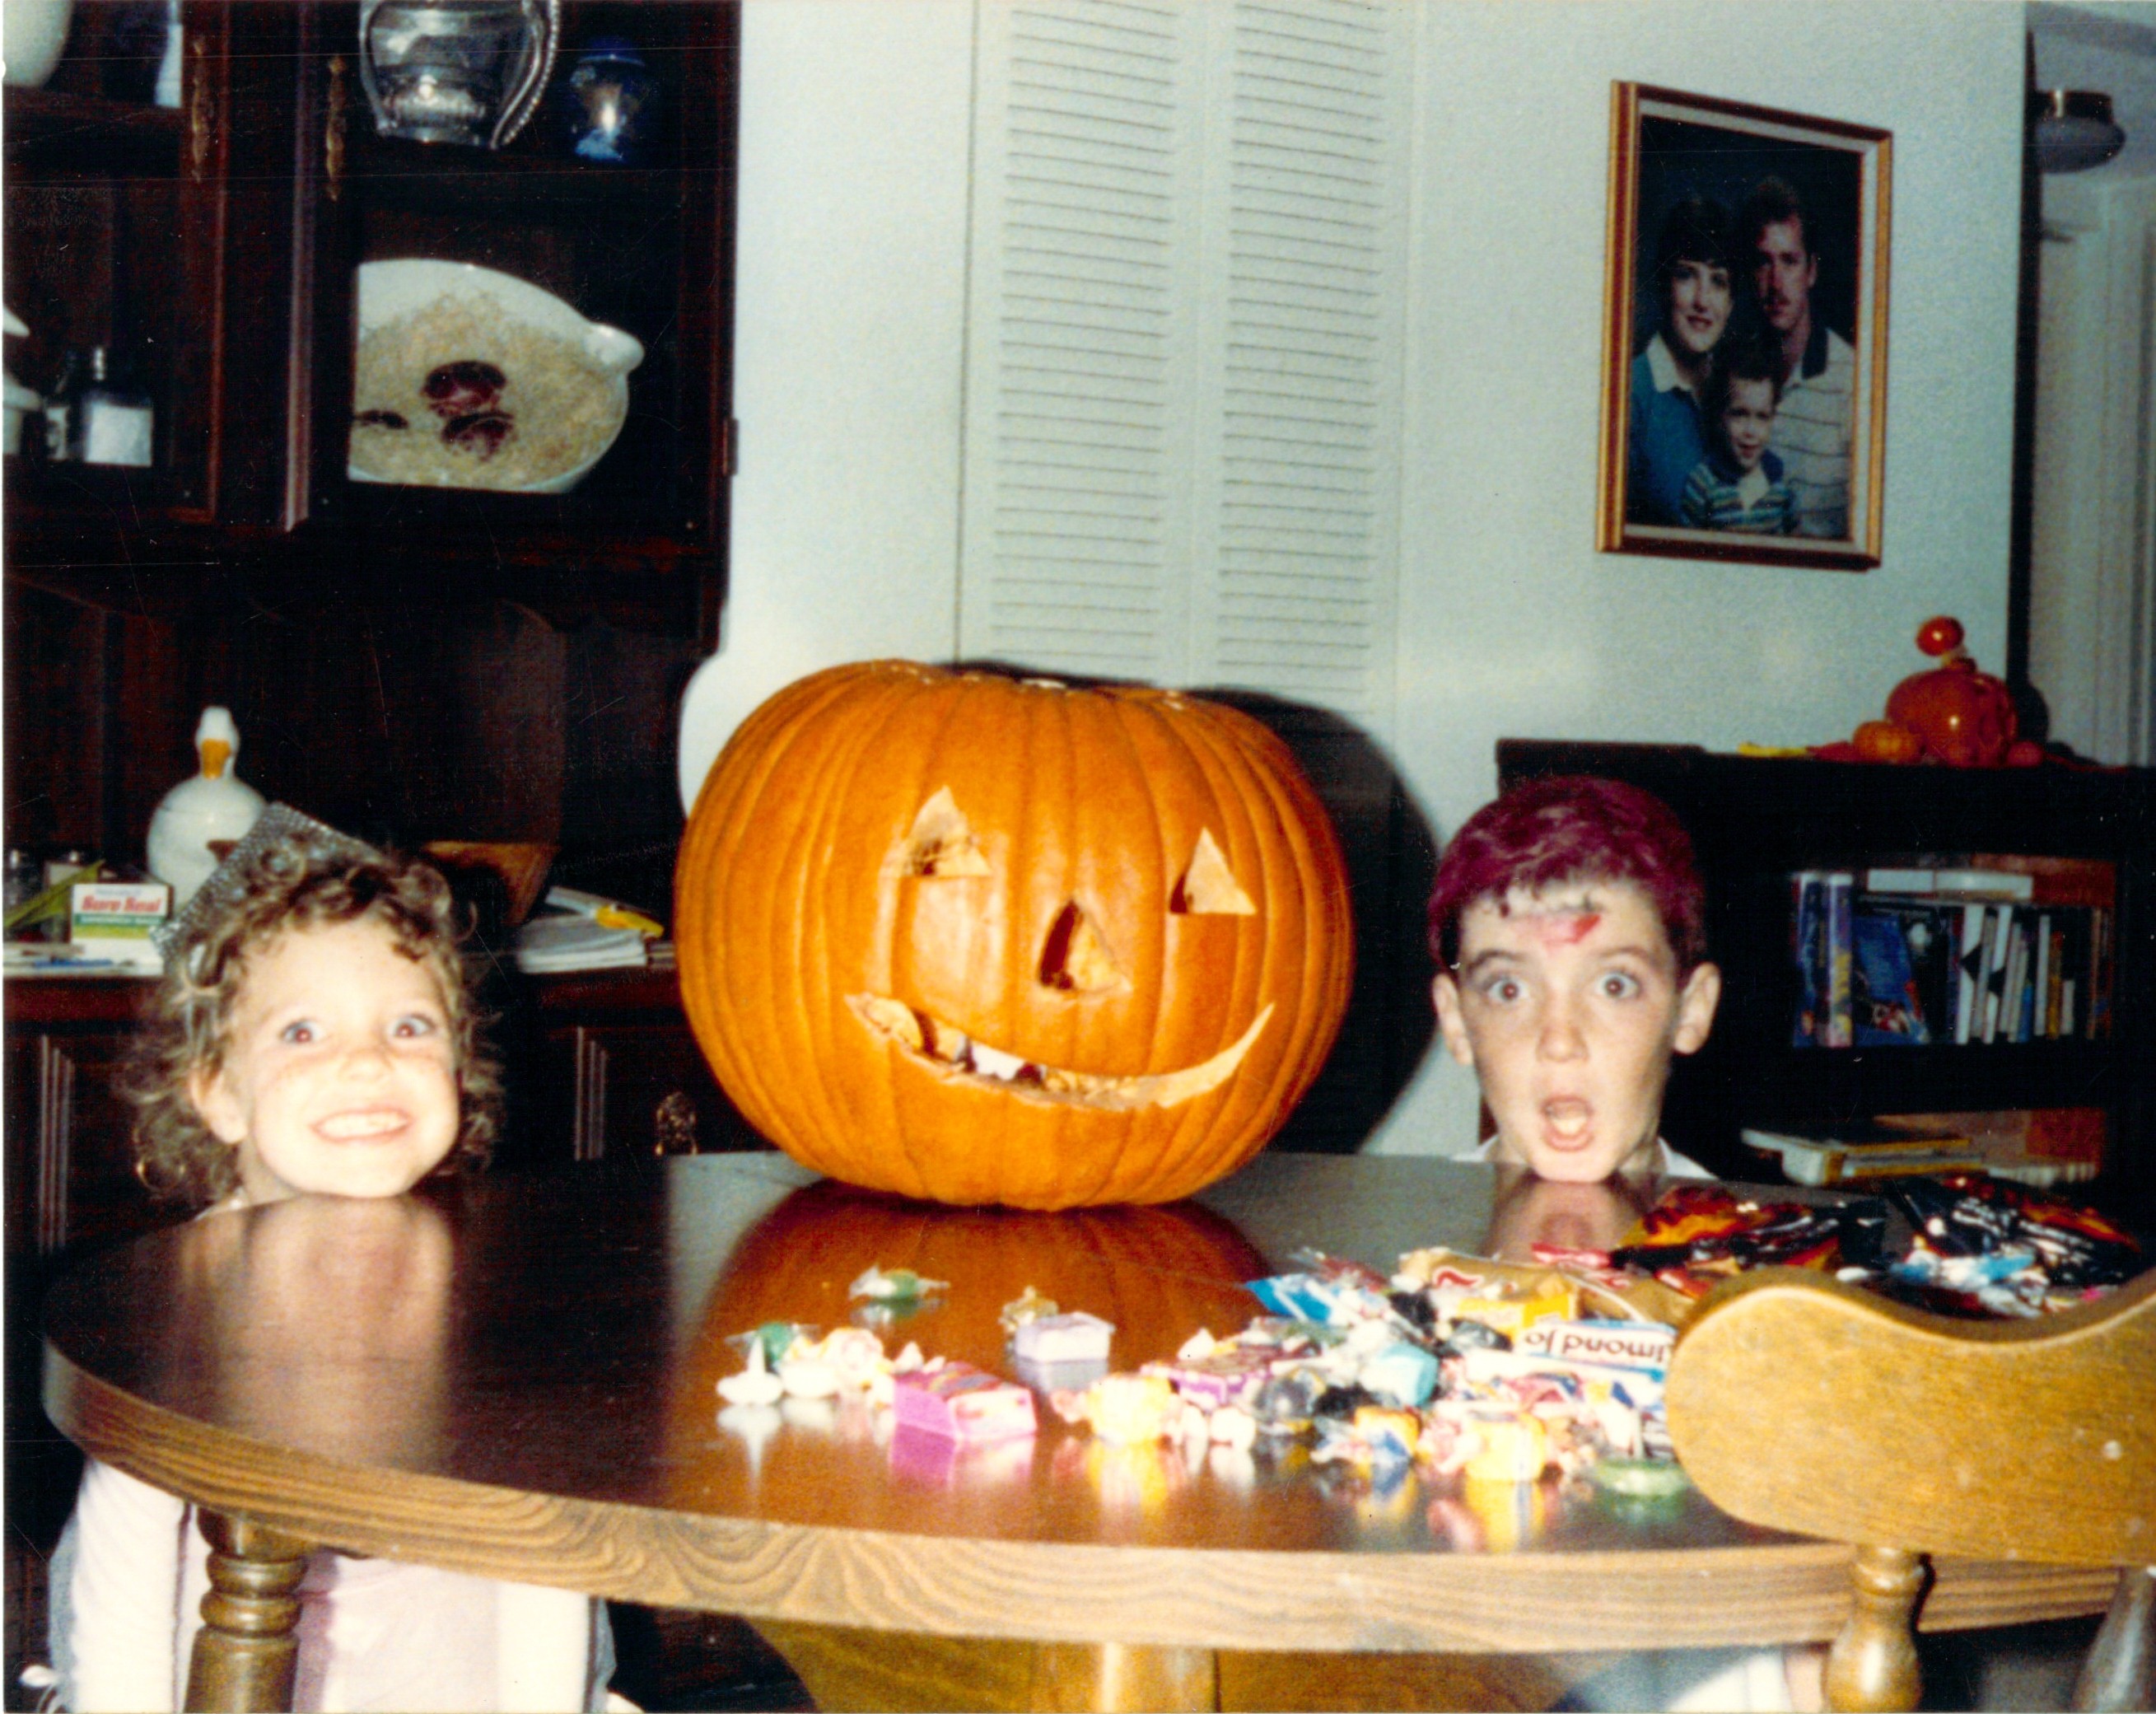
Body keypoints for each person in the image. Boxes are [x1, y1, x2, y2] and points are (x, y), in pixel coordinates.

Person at [45, 823, 619, 1713]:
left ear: (459, 1066)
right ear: (220, 1092)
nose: (366, 1060)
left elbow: (541, 1540)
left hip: (437, 1632)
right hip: (218, 1629)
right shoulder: (184, 1293)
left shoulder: (489, 1276)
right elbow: (126, 1552)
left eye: (409, 1026)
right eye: (303, 1031)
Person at [1426, 775, 1823, 1713]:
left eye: (1613, 984)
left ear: (1689, 1008)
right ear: (1454, 1018)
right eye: (1508, 987)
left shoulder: (1764, 1271)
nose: (1558, 1040)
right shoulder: (1403, 1250)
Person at [1739, 175, 1855, 539]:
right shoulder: (1733, 373)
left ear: (1812, 271)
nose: (1776, 283)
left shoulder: (1853, 381)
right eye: (1764, 262)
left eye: (1789, 261)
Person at [1626, 194, 1736, 526]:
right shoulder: (1633, 393)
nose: (1703, 301)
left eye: (1718, 281)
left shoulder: (1739, 390)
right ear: (1664, 285)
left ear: (1731, 302)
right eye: (1687, 275)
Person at [1679, 339, 1799, 535]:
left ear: (1773, 419)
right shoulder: (1703, 484)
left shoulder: (1782, 482)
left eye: (1762, 417)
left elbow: (1795, 542)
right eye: (1739, 414)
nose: (1750, 431)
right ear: (1720, 418)